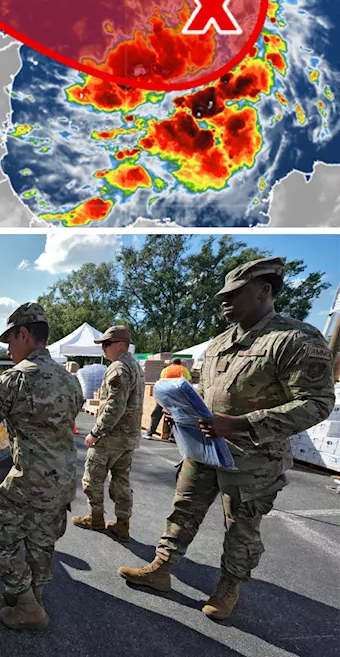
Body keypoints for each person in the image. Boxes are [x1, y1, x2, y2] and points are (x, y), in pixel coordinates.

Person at [119, 257, 335, 620]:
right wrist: (183, 407)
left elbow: (318, 403)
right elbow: (206, 389)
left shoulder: (294, 339)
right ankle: (161, 569)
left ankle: (228, 588)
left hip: (254, 458)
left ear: (264, 291)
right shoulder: (219, 342)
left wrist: (241, 424)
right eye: (223, 294)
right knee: (183, 509)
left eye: (235, 293)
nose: (224, 301)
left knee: (241, 528)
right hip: (204, 448)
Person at [0, 302, 84, 631]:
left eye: (9, 341)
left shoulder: (15, 380)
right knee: (41, 540)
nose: (8, 350)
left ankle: (25, 603)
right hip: (63, 479)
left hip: (30, 480)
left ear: (24, 334)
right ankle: (34, 596)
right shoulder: (69, 379)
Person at [73, 324, 144, 541]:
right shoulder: (135, 367)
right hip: (128, 438)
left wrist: (95, 432)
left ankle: (95, 518)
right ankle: (122, 524)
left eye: (106, 344)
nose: (103, 349)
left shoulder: (118, 369)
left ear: (121, 345)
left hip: (111, 437)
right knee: (121, 481)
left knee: (93, 477)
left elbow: (114, 407)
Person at [146, 361, 190, 439]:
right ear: (180, 363)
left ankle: (150, 432)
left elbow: (161, 383)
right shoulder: (184, 369)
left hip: (164, 395)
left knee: (156, 414)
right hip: (177, 396)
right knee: (176, 415)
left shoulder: (165, 370)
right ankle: (173, 436)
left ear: (171, 363)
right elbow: (189, 383)